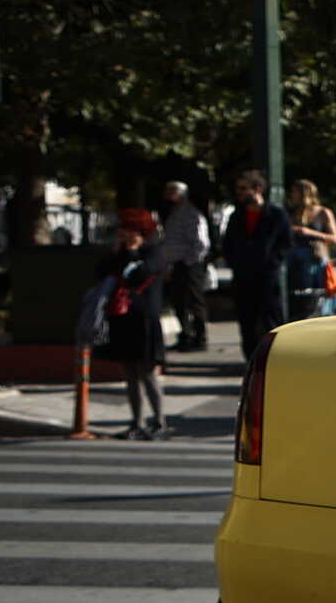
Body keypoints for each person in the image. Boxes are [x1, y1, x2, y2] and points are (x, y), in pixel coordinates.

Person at [96, 212, 167, 439]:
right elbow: (101, 272)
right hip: (122, 318)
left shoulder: (153, 251)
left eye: (128, 230)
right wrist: (119, 251)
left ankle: (159, 421)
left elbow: (142, 274)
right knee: (129, 374)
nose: (123, 234)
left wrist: (133, 251)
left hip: (144, 318)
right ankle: (136, 422)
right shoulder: (119, 254)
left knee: (147, 373)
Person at [219, 169, 290, 360]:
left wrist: (272, 262)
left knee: (270, 318)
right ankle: (250, 359)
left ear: (257, 189)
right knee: (246, 320)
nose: (240, 193)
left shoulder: (276, 214)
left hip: (267, 276)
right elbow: (228, 244)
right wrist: (234, 262)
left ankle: (274, 358)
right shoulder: (237, 216)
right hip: (243, 276)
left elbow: (285, 244)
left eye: (244, 189)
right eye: (238, 189)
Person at [157, 179, 212, 352]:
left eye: (171, 191)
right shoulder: (174, 213)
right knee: (179, 302)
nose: (167, 195)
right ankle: (186, 335)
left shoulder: (191, 214)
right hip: (177, 264)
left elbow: (200, 243)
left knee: (194, 301)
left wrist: (189, 261)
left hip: (189, 264)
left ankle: (199, 337)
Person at [283, 178, 336, 321]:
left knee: (317, 303)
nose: (292, 195)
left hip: (315, 261)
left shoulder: (323, 212)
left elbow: (335, 238)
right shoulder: (291, 212)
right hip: (294, 262)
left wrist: (309, 232)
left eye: (295, 192)